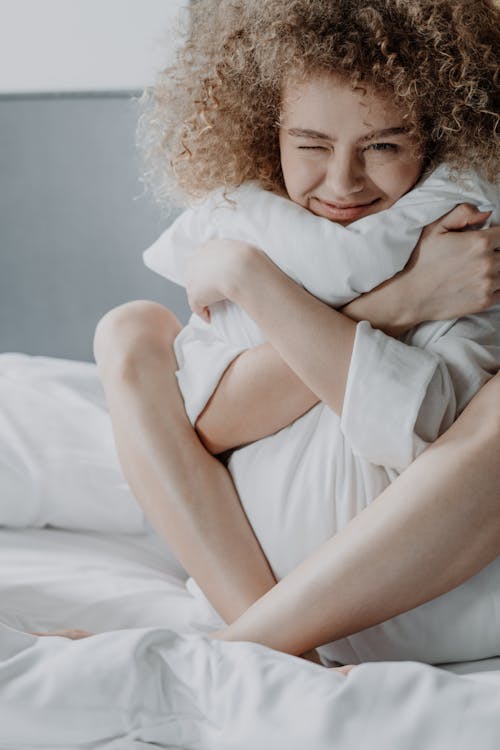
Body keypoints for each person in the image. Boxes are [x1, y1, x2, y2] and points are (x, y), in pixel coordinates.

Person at [90, 0, 500, 668]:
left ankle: (237, 652)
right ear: (266, 130)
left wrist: (251, 282)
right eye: (311, 146)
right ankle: (276, 648)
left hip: (419, 598)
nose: (343, 184)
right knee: (127, 328)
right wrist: (400, 301)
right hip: (262, 587)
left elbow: (418, 429)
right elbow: (210, 427)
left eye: (384, 146)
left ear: (436, 133)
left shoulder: (461, 227)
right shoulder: (249, 228)